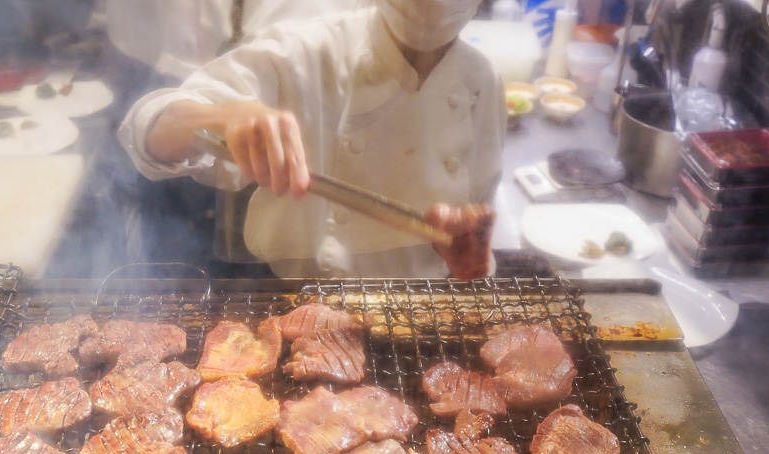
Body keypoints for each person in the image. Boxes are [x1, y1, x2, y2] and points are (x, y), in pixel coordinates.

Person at [120, 0, 504, 279]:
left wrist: (470, 261)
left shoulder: (482, 79)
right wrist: (223, 115)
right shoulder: (306, 50)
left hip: (420, 318)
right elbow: (145, 128)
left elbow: (474, 232)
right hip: (300, 306)